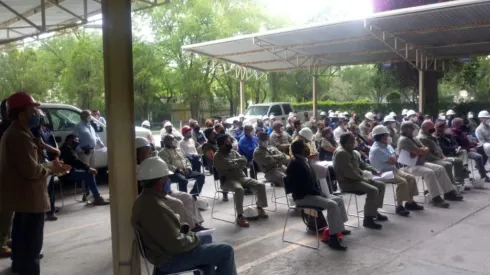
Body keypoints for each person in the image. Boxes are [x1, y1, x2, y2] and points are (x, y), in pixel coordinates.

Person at [0, 91, 72, 275]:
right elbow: (31, 170)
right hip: (30, 200)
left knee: (21, 243)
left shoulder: (21, 133)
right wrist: (51, 167)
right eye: (34, 110)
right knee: (31, 247)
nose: (38, 114)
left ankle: (19, 266)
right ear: (22, 114)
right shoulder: (19, 137)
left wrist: (42, 152)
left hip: (24, 199)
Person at [132, 157, 237, 275]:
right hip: (170, 259)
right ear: (159, 182)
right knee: (226, 250)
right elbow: (176, 244)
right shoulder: (153, 207)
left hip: (164, 251)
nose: (169, 182)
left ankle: (207, 271)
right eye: (167, 179)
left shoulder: (146, 199)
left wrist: (183, 230)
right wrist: (193, 237)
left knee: (207, 239)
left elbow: (166, 232)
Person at [287, 139, 349, 251]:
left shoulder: (303, 160)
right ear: (300, 150)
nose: (308, 148)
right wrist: (319, 194)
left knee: (338, 199)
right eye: (305, 146)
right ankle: (333, 238)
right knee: (332, 205)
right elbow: (303, 187)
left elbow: (311, 183)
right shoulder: (296, 164)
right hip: (303, 197)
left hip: (310, 193)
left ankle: (339, 228)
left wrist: (320, 193)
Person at [136, 137, 206, 232]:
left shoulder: (151, 162)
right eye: (147, 152)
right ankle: (192, 228)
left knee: (188, 197)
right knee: (178, 203)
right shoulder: (137, 168)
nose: (150, 154)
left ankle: (197, 224)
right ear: (138, 153)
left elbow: (184, 161)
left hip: (167, 191)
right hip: (156, 196)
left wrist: (187, 168)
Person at [397, 122, 462, 208]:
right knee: (429, 172)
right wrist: (422, 150)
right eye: (413, 128)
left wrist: (422, 150)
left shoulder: (413, 138)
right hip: (408, 166)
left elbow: (425, 149)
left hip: (419, 163)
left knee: (439, 168)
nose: (415, 129)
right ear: (407, 130)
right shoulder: (404, 140)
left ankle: (449, 193)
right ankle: (435, 198)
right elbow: (420, 151)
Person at [333, 133, 386, 229]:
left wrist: (374, 170)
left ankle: (374, 211)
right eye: (351, 141)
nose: (354, 143)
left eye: (354, 140)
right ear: (344, 143)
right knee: (373, 190)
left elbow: (362, 164)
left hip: (356, 180)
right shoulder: (342, 153)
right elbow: (350, 173)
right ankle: (368, 219)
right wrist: (365, 180)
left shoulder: (351, 151)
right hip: (347, 183)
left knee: (381, 185)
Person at [213, 134, 269, 227]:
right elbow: (227, 165)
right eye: (227, 142)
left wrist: (237, 162)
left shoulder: (233, 152)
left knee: (260, 185)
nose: (230, 143)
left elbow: (243, 161)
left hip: (241, 177)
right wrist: (237, 162)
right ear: (222, 144)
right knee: (239, 189)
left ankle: (260, 208)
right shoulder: (218, 156)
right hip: (228, 180)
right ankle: (240, 216)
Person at [369, 126, 423, 216]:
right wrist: (394, 154)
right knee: (402, 182)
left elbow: (394, 157)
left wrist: (394, 154)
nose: (387, 137)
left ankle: (410, 202)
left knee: (411, 178)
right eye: (386, 135)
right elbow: (393, 160)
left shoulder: (385, 145)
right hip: (382, 173)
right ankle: (399, 207)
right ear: (380, 137)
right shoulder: (377, 149)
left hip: (391, 170)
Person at [60, 134, 110, 206]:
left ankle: (88, 194)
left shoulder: (67, 147)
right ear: (70, 140)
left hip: (70, 171)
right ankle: (97, 198)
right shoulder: (66, 149)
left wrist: (87, 168)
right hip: (66, 174)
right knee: (89, 174)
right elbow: (75, 161)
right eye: (76, 141)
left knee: (88, 173)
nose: (77, 143)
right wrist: (88, 168)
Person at [31, 113, 61, 221]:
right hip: (40, 163)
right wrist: (55, 151)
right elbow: (41, 145)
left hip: (49, 162)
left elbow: (54, 147)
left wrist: (56, 157)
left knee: (50, 189)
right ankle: (45, 210)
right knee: (43, 190)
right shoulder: (32, 131)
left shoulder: (46, 130)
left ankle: (50, 211)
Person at [417, 120, 466, 186]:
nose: (433, 129)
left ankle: (459, 182)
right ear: (425, 127)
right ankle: (450, 186)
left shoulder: (429, 135)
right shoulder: (422, 138)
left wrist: (443, 156)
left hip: (440, 157)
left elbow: (438, 148)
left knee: (458, 161)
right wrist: (440, 158)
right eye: (431, 128)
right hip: (431, 159)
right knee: (447, 164)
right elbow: (427, 154)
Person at [451, 117, 490, 182]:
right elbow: (457, 146)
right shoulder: (453, 134)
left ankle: (479, 166)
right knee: (478, 156)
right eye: (461, 124)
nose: (463, 125)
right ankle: (483, 176)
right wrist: (469, 149)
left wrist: (475, 144)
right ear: (456, 124)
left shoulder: (460, 132)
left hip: (467, 148)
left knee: (482, 149)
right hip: (461, 151)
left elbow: (467, 142)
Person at [73, 110, 105, 177]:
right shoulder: (78, 126)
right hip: (84, 152)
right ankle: (86, 187)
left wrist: (101, 144)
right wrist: (81, 151)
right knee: (86, 171)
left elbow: (96, 136)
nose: (90, 117)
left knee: (93, 171)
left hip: (92, 151)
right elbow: (74, 140)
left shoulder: (90, 125)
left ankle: (92, 186)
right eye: (89, 115)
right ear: (83, 116)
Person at [202, 129, 229, 202]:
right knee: (223, 170)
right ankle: (225, 193)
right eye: (213, 134)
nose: (215, 135)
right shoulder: (206, 146)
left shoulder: (218, 143)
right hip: (215, 166)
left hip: (225, 162)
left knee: (241, 166)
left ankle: (244, 187)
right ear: (208, 136)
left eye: (215, 133)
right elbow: (213, 158)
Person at [0, 100, 12, 258]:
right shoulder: (7, 129)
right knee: (5, 212)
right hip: (5, 177)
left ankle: (7, 239)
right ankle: (3, 243)